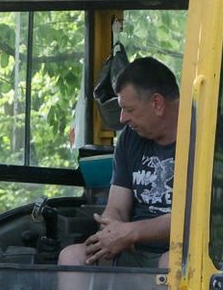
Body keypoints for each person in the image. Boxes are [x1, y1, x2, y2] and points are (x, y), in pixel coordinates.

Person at [60, 56, 178, 270]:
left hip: (182, 252)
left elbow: (191, 221)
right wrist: (111, 227)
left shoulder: (202, 140)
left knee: (171, 262)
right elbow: (117, 206)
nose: (122, 118)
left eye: (129, 110)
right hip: (133, 250)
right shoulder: (130, 138)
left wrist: (131, 233)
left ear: (157, 104)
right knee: (72, 257)